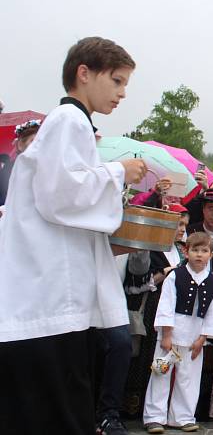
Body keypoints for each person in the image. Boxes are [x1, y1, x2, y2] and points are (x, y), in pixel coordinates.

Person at [0, 37, 145, 435]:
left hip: (53, 300)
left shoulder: (71, 124)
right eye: (116, 80)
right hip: (48, 301)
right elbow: (61, 195)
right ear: (84, 73)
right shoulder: (69, 121)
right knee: (57, 414)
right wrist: (119, 172)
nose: (122, 93)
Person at [142, 232, 213, 434]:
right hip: (171, 334)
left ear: (211, 254)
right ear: (186, 252)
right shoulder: (175, 276)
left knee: (189, 377)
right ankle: (154, 417)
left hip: (195, 337)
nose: (199, 255)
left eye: (204, 251)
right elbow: (166, 305)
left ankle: (183, 417)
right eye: (195, 250)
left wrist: (203, 339)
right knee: (160, 373)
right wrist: (167, 335)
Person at [124, 204, 190, 417]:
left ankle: (158, 407)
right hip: (151, 308)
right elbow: (134, 284)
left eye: (184, 225)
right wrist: (165, 272)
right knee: (143, 356)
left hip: (172, 312)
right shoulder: (150, 248)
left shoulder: (182, 251)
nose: (182, 229)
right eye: (178, 224)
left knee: (163, 359)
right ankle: (134, 406)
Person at [0, 118, 41, 206]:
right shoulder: (10, 167)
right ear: (21, 144)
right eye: (33, 141)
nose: (38, 144)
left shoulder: (47, 166)